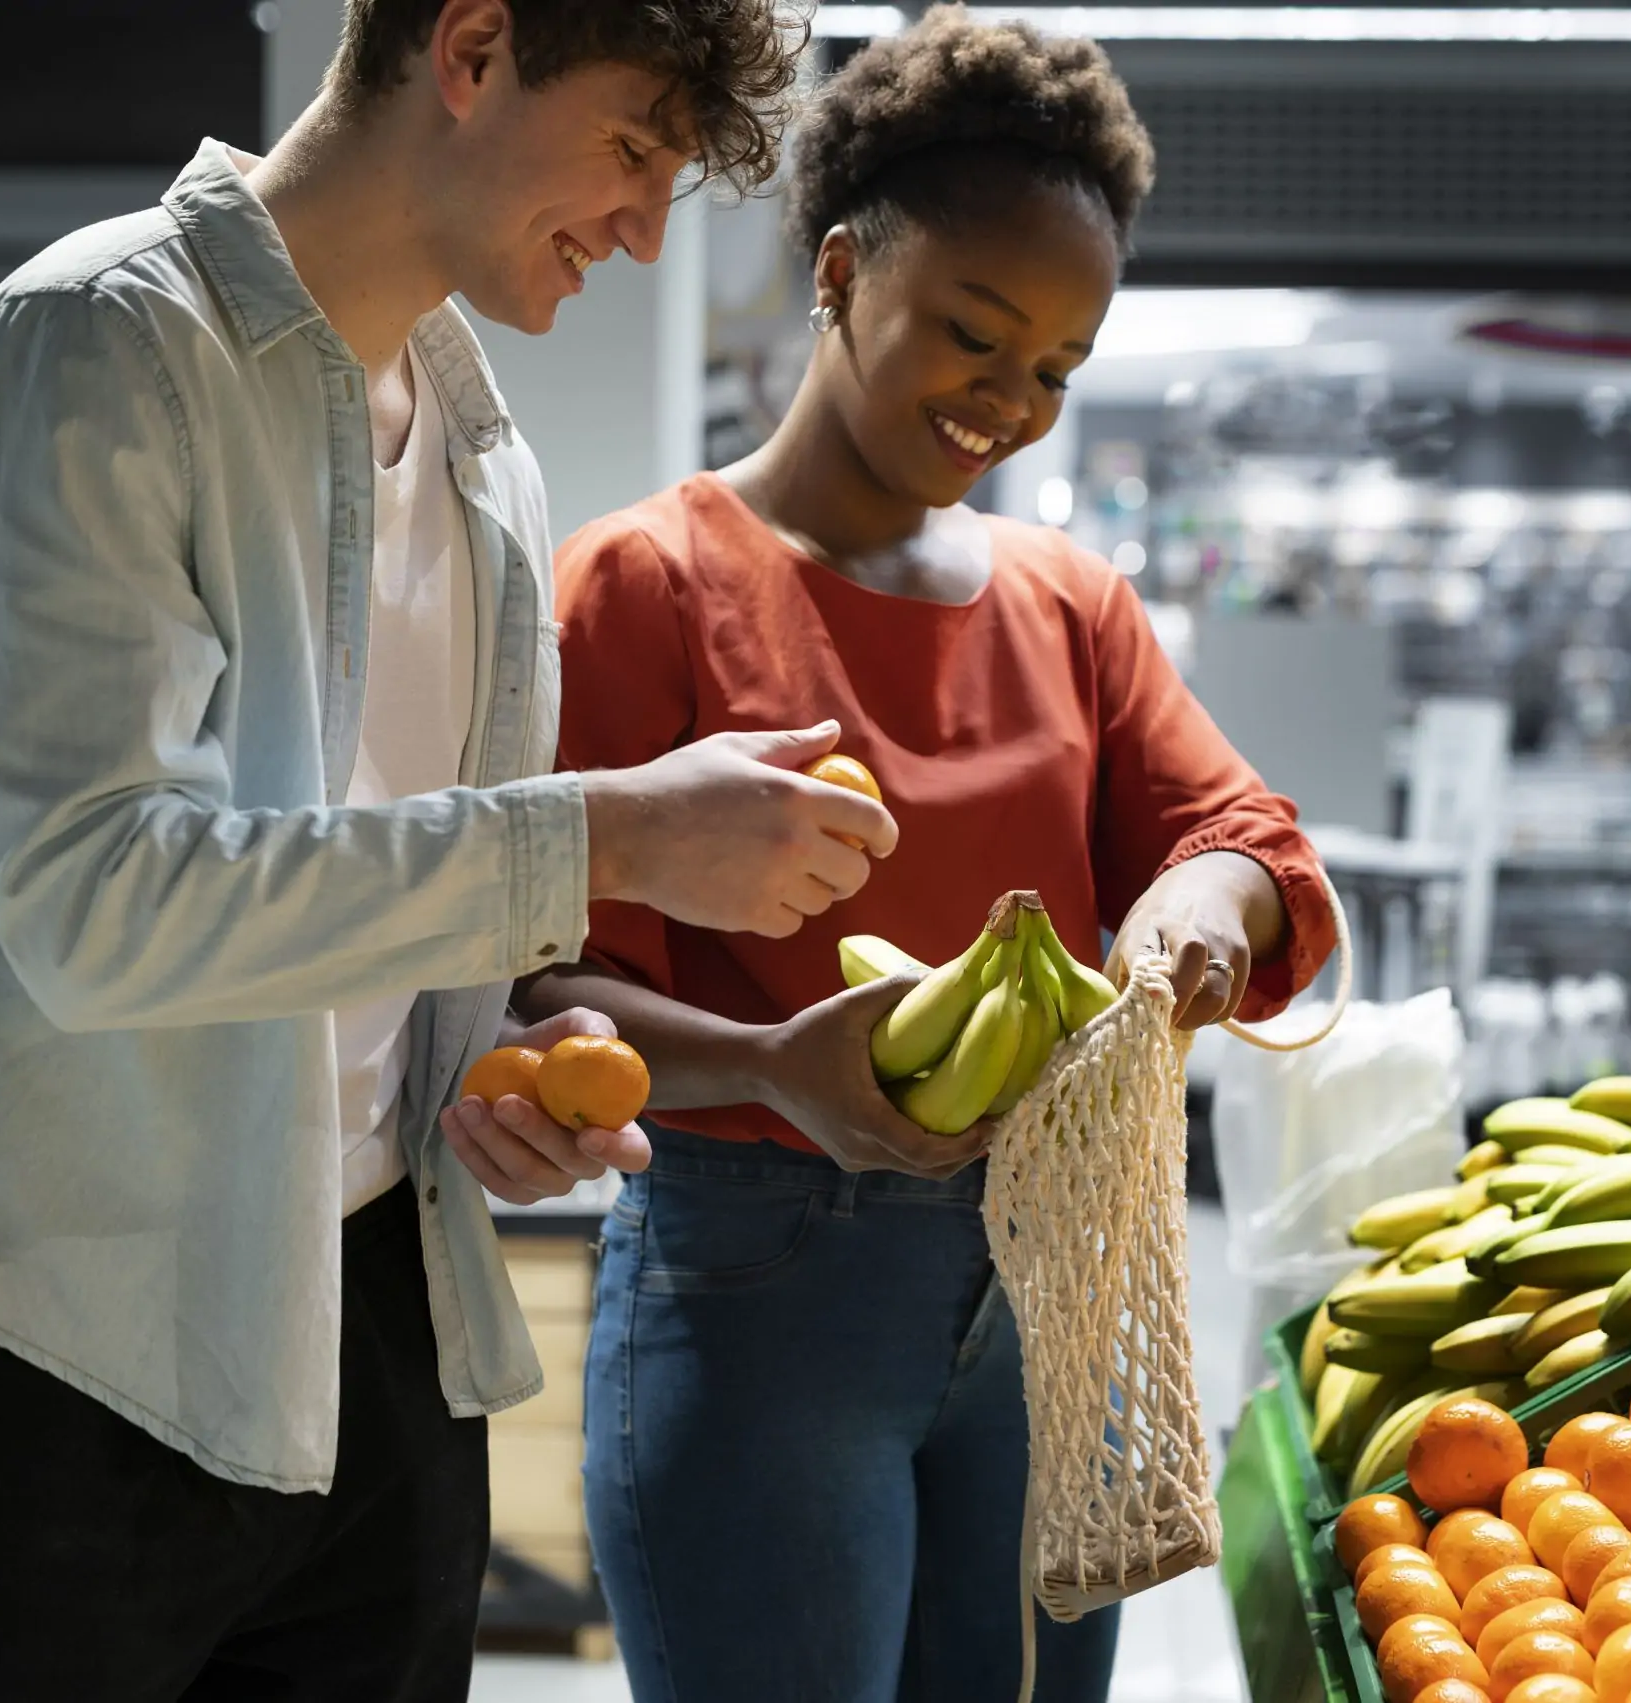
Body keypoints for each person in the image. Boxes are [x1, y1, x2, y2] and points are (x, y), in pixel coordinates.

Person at [0, 4, 887, 1699]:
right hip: (42, 1336)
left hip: (369, 1331)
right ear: (476, 46)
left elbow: (343, 912)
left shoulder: (482, 456)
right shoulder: (103, 343)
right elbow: (102, 902)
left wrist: (484, 1063)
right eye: (636, 147)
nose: (650, 230)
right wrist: (609, 835)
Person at [517, 10, 1340, 1698]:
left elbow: (1245, 838)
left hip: (1053, 1291)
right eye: (972, 334)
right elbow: (540, 973)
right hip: (760, 1283)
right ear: (837, 274)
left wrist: (1201, 902)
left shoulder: (1070, 608)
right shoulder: (647, 584)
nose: (1010, 403)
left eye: (1054, 368)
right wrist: (767, 1064)